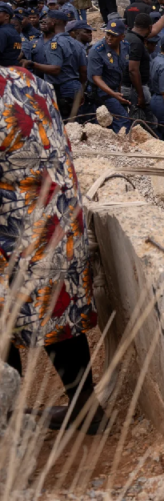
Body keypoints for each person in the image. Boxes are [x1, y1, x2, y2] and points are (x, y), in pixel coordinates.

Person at [0, 66, 107, 436]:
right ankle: (85, 409)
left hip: (16, 235)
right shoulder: (28, 79)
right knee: (59, 318)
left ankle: (8, 423)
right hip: (58, 223)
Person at [87, 20, 132, 133]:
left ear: (122, 36)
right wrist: (114, 94)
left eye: (114, 35)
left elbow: (121, 70)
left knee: (111, 122)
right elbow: (96, 78)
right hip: (101, 92)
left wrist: (118, 91)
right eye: (108, 34)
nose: (109, 38)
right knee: (123, 119)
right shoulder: (97, 51)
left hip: (115, 89)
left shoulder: (125, 46)